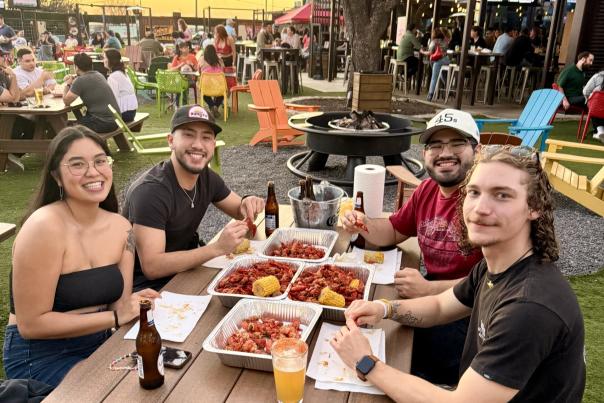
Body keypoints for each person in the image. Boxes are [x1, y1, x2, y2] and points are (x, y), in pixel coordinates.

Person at [332, 145, 585, 402]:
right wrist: (383, 309)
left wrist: (365, 362)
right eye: (474, 192)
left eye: (502, 195)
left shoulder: (529, 307)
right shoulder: (496, 265)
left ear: (534, 207)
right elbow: (441, 306)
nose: (481, 208)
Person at [3, 126, 160, 387]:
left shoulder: (122, 229)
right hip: (41, 355)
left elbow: (118, 307)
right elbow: (31, 325)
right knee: (122, 391)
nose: (93, 172)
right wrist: (114, 318)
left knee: (160, 372)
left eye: (100, 161)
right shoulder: (43, 227)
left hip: (100, 341)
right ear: (56, 176)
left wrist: (135, 304)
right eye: (77, 164)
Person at [342, 109, 483, 385]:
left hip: (470, 314)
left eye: (457, 144)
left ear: (476, 151)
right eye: (436, 145)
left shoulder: (481, 201)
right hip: (429, 298)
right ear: (425, 154)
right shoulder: (427, 190)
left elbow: (493, 281)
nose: (445, 152)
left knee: (398, 356)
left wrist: (430, 289)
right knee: (371, 327)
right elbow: (394, 230)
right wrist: (363, 224)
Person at [122, 104, 265, 291]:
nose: (198, 144)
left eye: (206, 137)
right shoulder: (150, 192)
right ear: (171, 140)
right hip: (149, 289)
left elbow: (239, 209)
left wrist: (247, 202)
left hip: (187, 270)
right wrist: (217, 248)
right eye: (188, 135)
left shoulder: (206, 177)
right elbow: (152, 266)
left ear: (213, 145)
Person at [63, 53, 119, 133]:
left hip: (103, 122)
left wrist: (67, 84)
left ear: (77, 67)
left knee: (68, 128)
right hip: (115, 120)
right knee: (73, 124)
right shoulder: (98, 75)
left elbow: (66, 101)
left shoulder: (80, 81)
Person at [104, 49, 137, 123]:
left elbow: (112, 99)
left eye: (105, 58)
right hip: (131, 112)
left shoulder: (113, 76)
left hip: (124, 114)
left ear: (110, 60)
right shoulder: (122, 72)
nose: (103, 60)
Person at [423, 30, 450, 103]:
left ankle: (430, 95)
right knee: (443, 75)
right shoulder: (445, 41)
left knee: (434, 78)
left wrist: (422, 52)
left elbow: (430, 53)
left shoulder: (434, 42)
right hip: (446, 60)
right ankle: (449, 90)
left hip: (438, 61)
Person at [199, 45, 225, 119]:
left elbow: (199, 72)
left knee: (202, 91)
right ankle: (216, 106)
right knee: (223, 92)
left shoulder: (201, 60)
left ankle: (212, 106)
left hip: (206, 87)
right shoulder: (220, 61)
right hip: (218, 87)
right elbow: (223, 71)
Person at [582, 69, 604, 142]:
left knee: (593, 105)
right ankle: (599, 130)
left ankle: (599, 130)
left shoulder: (597, 76)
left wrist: (590, 98)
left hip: (595, 108)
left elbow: (585, 91)